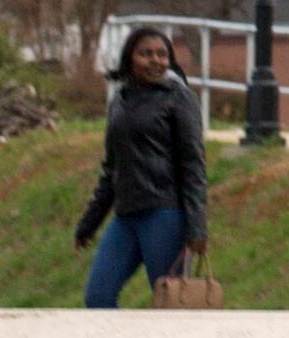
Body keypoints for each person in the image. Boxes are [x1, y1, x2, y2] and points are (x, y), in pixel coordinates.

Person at [75, 25, 210, 307]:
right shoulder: (120, 101)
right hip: (125, 216)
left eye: (162, 54)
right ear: (129, 59)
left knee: (170, 305)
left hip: (164, 216)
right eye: (146, 54)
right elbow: (111, 168)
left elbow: (193, 165)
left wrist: (196, 227)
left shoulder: (178, 97)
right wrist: (90, 222)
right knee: (97, 297)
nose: (155, 60)